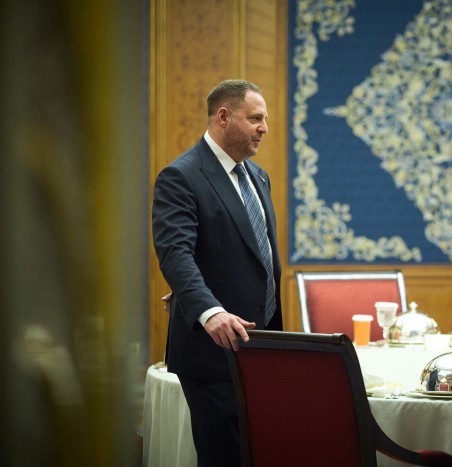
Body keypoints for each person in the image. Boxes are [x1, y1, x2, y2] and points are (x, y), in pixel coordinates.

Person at [152, 79, 283, 467]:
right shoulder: (181, 176)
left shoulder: (258, 176)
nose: (264, 128)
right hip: (213, 350)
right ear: (223, 117)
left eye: (265, 119)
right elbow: (176, 253)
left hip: (261, 344)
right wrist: (207, 309)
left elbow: (241, 255)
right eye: (256, 118)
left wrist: (190, 292)